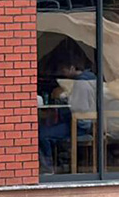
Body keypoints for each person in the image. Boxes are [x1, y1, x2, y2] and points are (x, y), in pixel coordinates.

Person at [38, 41, 96, 173]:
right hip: (90, 124)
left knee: (42, 133)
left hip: (81, 126)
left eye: (63, 69)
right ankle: (59, 161)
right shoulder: (92, 79)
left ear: (72, 68)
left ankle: (47, 168)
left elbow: (79, 108)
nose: (61, 72)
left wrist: (65, 100)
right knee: (50, 128)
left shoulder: (81, 84)